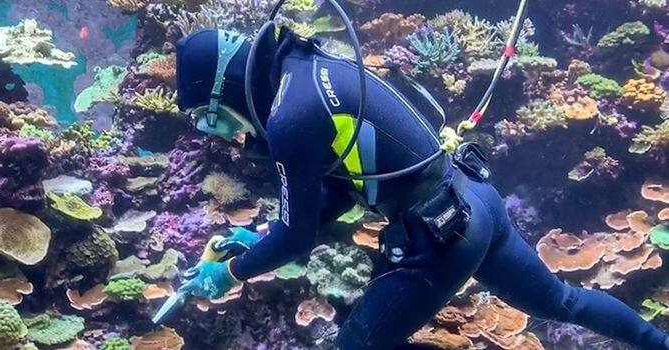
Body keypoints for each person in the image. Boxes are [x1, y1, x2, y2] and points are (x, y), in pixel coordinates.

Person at [174, 27, 669, 350]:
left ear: (225, 89)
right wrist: (259, 239)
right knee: (561, 301)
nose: (219, 132)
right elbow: (346, 187)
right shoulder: (308, 69)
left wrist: (233, 272)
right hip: (475, 201)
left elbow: (297, 237)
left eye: (207, 118)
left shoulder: (288, 117)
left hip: (439, 238)